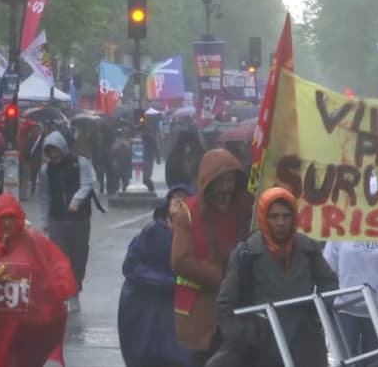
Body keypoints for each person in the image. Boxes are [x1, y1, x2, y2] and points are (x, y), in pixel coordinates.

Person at [210, 187, 339, 367]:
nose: (281, 222)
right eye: (274, 216)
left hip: (306, 348)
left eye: (286, 216)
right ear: (264, 218)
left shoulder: (308, 248)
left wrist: (316, 312)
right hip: (263, 351)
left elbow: (329, 282)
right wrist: (247, 335)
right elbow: (224, 306)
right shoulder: (245, 253)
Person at [0, 194, 77, 367]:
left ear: (19, 217)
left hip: (25, 328)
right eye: (3, 218)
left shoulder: (33, 242)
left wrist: (58, 290)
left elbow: (56, 264)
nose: (7, 223)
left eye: (11, 217)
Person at [170, 148, 253, 366]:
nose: (226, 187)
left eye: (231, 180)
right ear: (208, 182)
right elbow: (181, 261)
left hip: (239, 308)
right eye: (221, 181)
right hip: (201, 310)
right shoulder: (188, 213)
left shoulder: (245, 209)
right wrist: (224, 278)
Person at [118, 185, 193, 367]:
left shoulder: (195, 237)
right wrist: (167, 282)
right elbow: (131, 266)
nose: (179, 204)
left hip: (178, 315)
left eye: (185, 200)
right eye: (176, 199)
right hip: (145, 313)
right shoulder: (151, 232)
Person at [323, 240, 378, 363]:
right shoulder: (341, 229)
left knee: (376, 360)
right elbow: (327, 266)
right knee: (346, 359)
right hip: (346, 307)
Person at [38, 130, 96, 313]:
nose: (53, 155)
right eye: (49, 152)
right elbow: (45, 196)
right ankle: (62, 293)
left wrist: (76, 201)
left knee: (79, 257)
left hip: (79, 220)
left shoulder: (80, 163)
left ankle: (75, 291)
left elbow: (87, 184)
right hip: (57, 219)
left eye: (56, 150)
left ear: (62, 148)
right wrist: (45, 219)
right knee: (58, 259)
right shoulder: (46, 171)